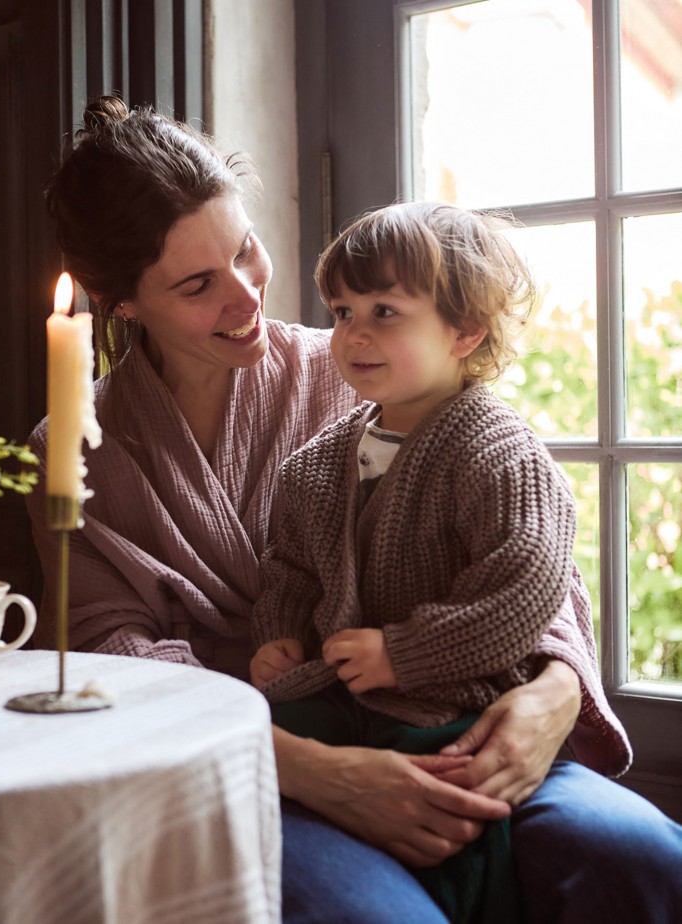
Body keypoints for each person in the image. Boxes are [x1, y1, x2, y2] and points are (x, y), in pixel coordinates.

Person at [27, 96, 682, 923]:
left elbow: (528, 550)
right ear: (124, 303)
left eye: (245, 251)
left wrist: (551, 695)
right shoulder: (79, 448)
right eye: (198, 283)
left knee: (641, 857)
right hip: (242, 760)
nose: (244, 296)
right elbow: (106, 655)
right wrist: (313, 770)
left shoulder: (361, 366)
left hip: (448, 715)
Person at [248, 201, 617, 922]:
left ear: (464, 331)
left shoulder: (500, 454)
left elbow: (523, 587)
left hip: (454, 704)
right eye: (342, 309)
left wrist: (404, 653)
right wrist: (278, 632)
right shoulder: (313, 468)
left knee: (453, 811)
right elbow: (289, 566)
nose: (354, 332)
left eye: (385, 310)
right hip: (336, 701)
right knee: (262, 753)